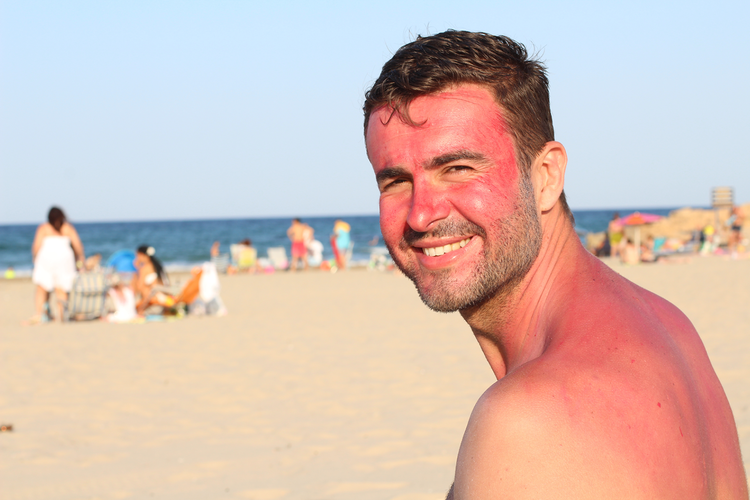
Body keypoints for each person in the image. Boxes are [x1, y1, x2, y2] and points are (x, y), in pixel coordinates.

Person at [363, 31, 747, 499]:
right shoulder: (669, 326)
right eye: (396, 181)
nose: (421, 213)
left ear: (546, 176)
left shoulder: (526, 421)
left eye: (459, 169)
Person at [28, 207, 85, 323]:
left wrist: (34, 259)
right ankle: (62, 314)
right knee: (62, 288)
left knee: (42, 287)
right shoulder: (67, 228)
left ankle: (40, 314)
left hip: (46, 258)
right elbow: (78, 246)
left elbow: (36, 246)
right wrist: (81, 259)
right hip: (64, 259)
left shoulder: (44, 228)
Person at [132, 245, 173, 314]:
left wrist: (135, 270)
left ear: (141, 255)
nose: (136, 258)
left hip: (153, 303)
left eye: (137, 256)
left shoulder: (146, 268)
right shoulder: (157, 265)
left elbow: (138, 288)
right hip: (165, 300)